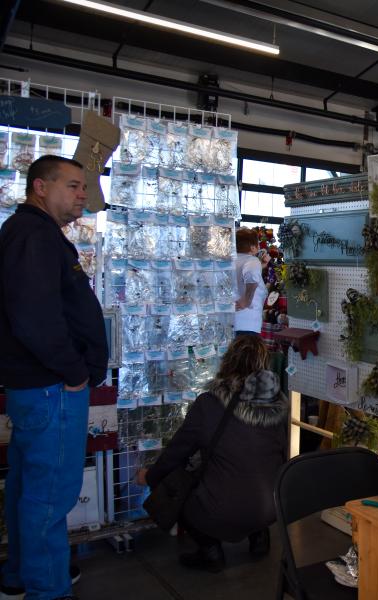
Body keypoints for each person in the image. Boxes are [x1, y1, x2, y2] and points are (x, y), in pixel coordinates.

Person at [0, 156, 108, 600]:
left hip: (39, 385)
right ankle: (48, 590)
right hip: (52, 388)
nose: (83, 193)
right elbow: (34, 316)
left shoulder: (34, 234)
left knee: (29, 486)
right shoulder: (34, 236)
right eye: (74, 185)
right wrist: (74, 372)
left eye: (84, 186)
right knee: (49, 497)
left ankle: (21, 575)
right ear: (40, 188)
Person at [136, 336, 287, 572]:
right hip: (272, 507)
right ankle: (259, 536)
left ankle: (210, 551)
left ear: (227, 361)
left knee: (178, 489)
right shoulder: (278, 406)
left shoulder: (209, 403)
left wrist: (150, 477)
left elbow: (176, 452)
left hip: (223, 509)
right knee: (253, 471)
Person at [233, 227, 267, 336]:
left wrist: (260, 266)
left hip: (231, 321)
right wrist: (246, 300)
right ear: (252, 247)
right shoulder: (252, 261)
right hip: (248, 323)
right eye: (257, 244)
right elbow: (252, 277)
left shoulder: (231, 261)